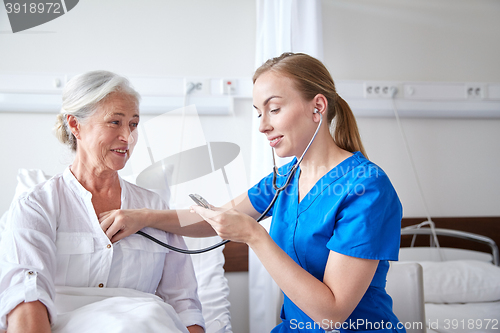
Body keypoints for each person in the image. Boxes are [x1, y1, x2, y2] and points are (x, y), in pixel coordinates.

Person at [99, 53, 404, 332]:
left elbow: (332, 314)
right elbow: (216, 220)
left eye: (274, 109)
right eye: (259, 113)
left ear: (318, 107)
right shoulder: (284, 180)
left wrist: (255, 236)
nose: (263, 126)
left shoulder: (367, 188)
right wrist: (143, 217)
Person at [0, 71, 204, 333]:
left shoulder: (154, 209)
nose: (128, 138)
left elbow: (184, 303)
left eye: (133, 124)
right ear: (75, 125)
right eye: (114, 122)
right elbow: (27, 296)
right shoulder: (36, 206)